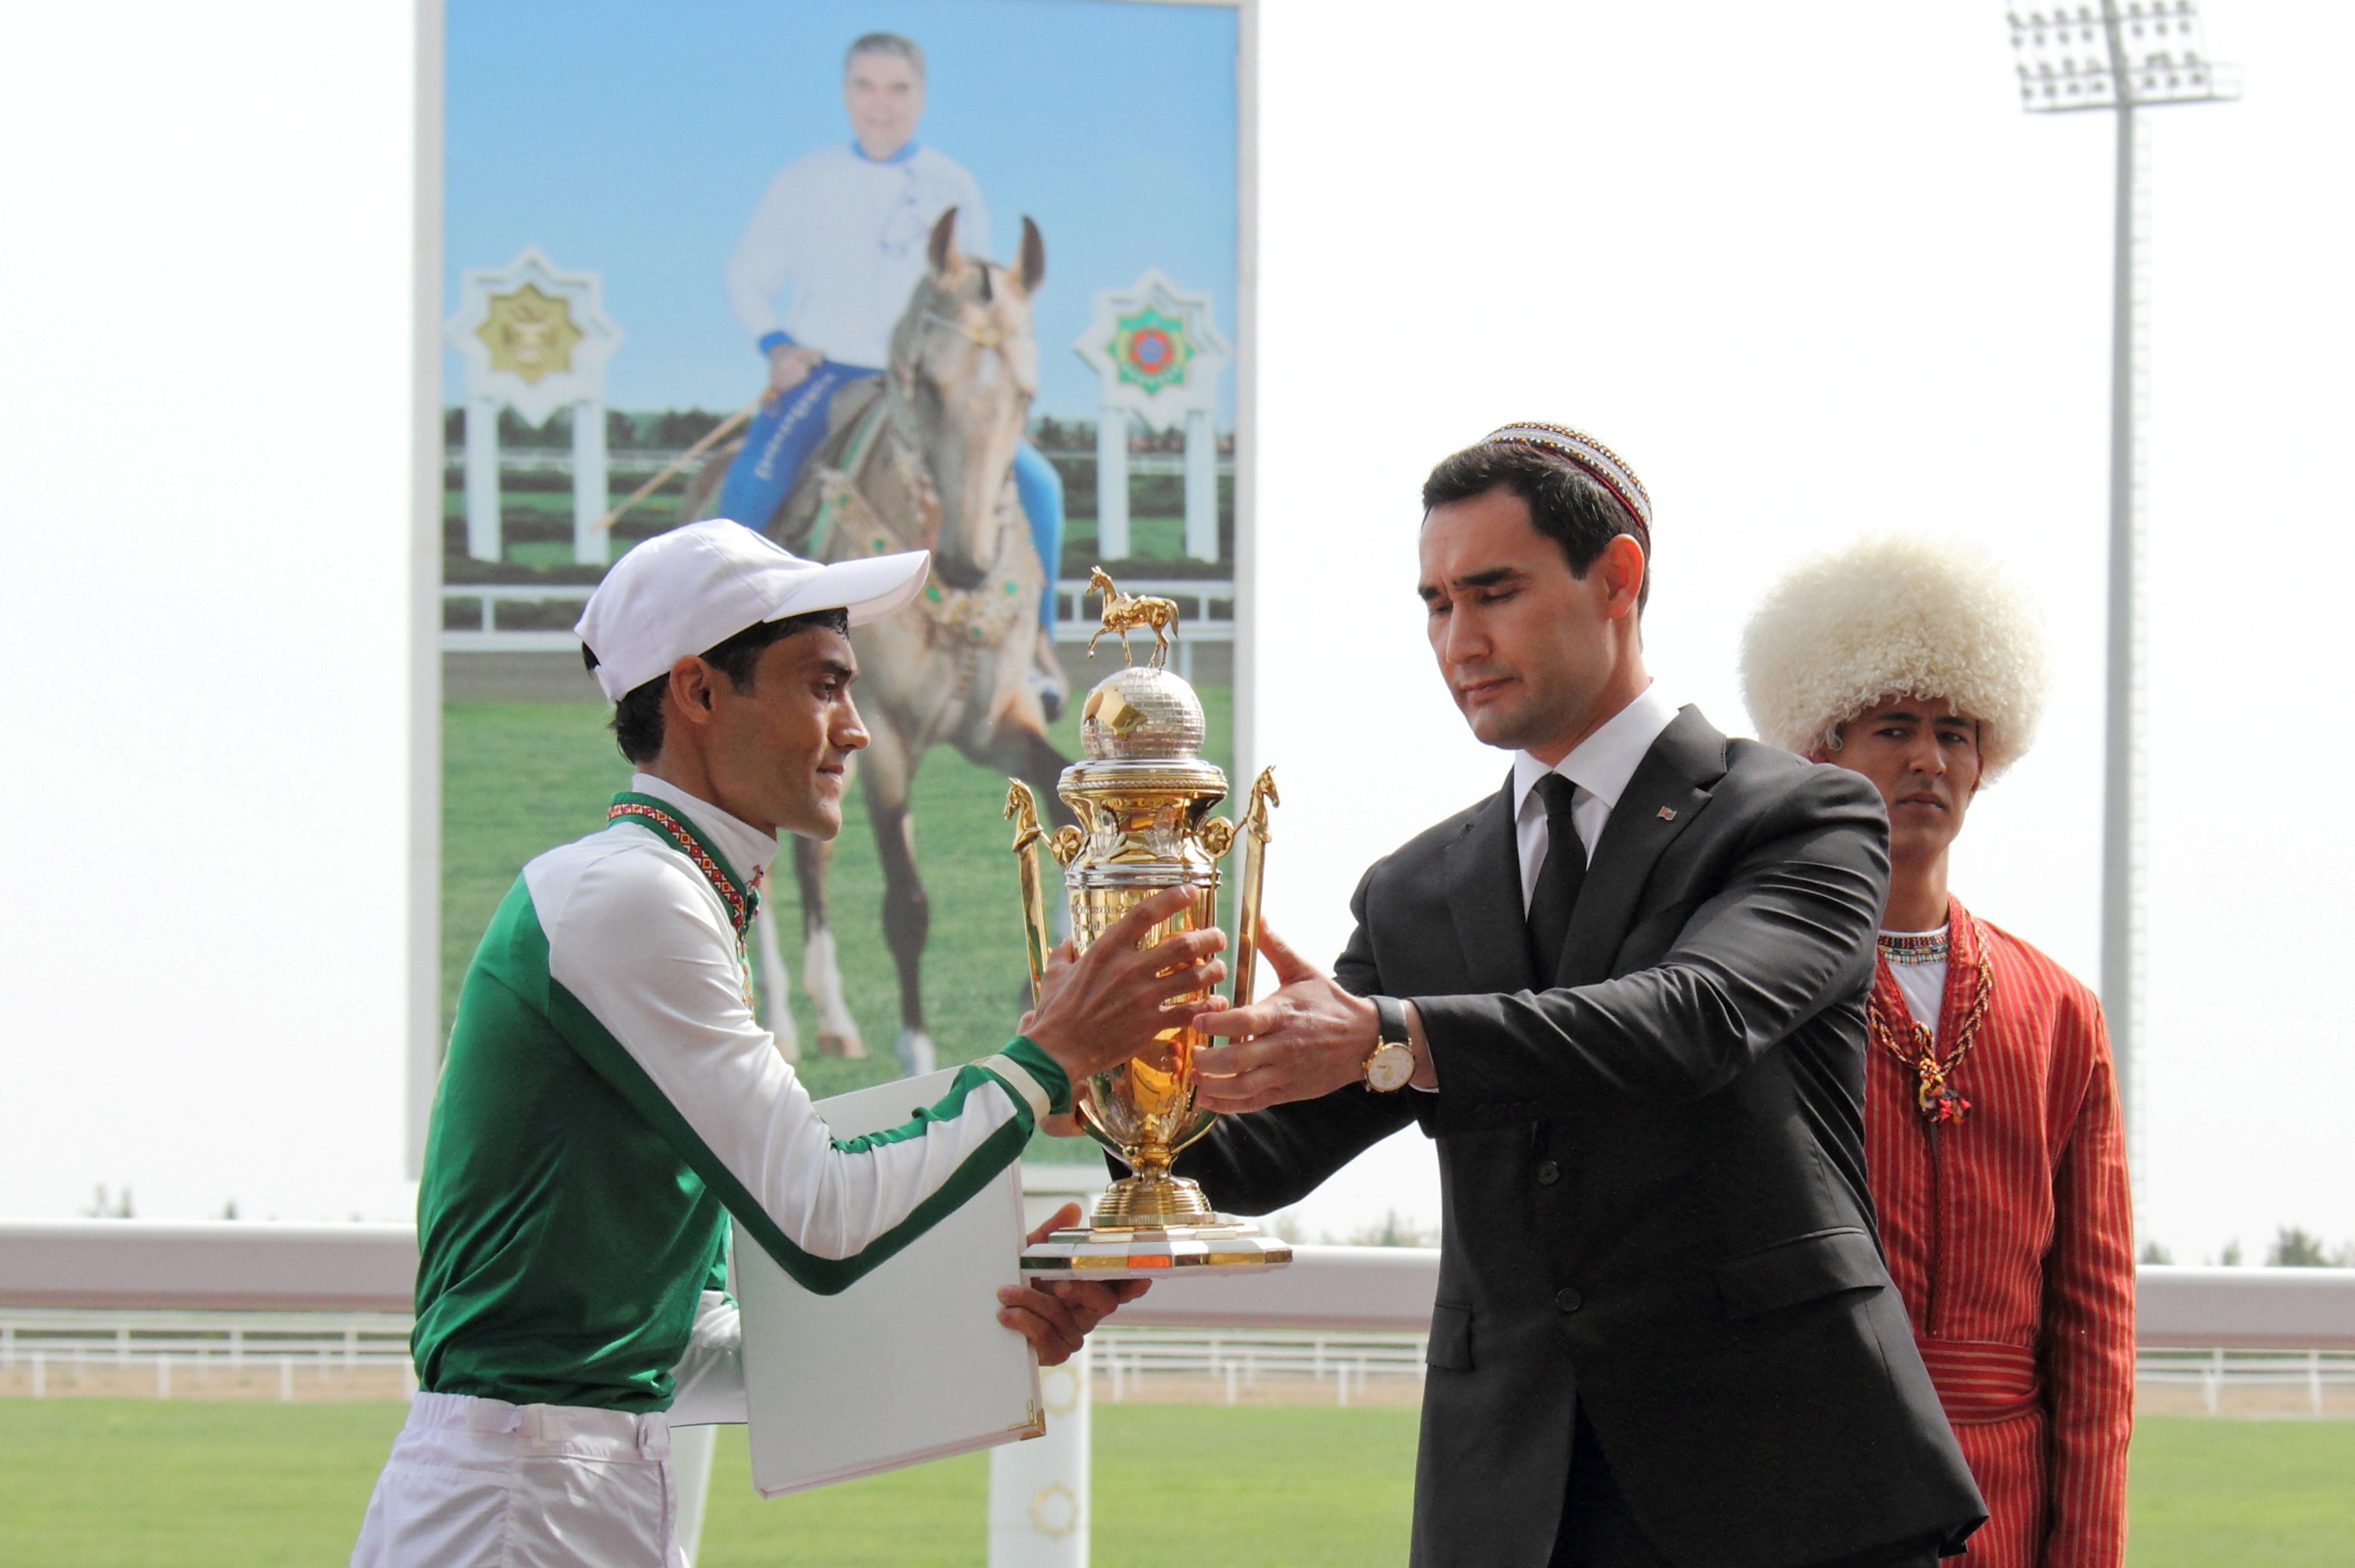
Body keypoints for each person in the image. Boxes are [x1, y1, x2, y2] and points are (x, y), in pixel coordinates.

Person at [1179, 424, 1985, 1568]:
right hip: (1510, 1505)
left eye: (1493, 592)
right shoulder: (1418, 888)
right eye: (1434, 604)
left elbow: (1691, 1020)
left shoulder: (1800, 815)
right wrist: (1130, 1070)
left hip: (1784, 1492)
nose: (1459, 638)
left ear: (1617, 578)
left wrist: (1390, 1037)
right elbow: (1254, 1162)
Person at [351, 521, 1212, 1568]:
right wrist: (1042, 1064)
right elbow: (819, 1214)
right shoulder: (634, 898)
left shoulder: (666, 893)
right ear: (698, 692)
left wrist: (987, 1309)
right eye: (823, 684)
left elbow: (681, 1347)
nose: (855, 728)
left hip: (559, 1488)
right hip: (521, 1509)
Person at [1740, 536, 2134, 1568]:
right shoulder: (1750, 986)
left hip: (2010, 1508)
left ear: (1986, 756)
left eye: (1954, 732)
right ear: (1818, 746)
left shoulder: (2059, 1015)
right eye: (1892, 728)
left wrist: (2086, 1549)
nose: (1927, 760)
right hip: (1809, 1489)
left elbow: (2093, 1332)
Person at [720, 30, 1068, 712]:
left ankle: (1036, 653)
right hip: (829, 373)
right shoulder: (804, 178)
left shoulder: (954, 184)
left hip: (927, 386)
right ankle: (722, 645)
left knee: (1041, 487)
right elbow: (748, 274)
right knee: (752, 482)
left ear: (921, 97)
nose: (881, 103)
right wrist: (778, 345)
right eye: (865, 86)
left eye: (898, 88)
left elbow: (978, 296)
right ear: (846, 94)